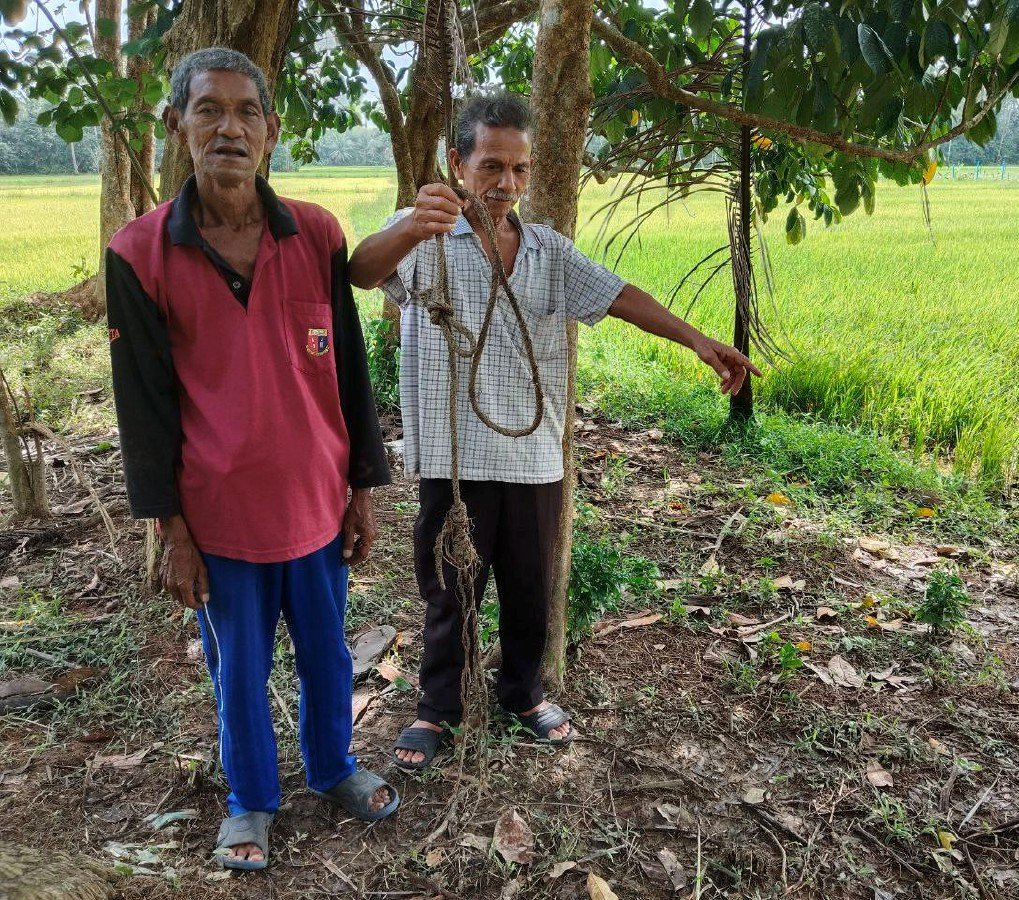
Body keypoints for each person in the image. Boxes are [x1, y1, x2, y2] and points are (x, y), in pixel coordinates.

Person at [348, 93, 761, 770]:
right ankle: (439, 707)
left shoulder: (545, 251)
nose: (504, 183)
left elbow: (617, 295)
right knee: (449, 590)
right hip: (455, 457)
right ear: (457, 163)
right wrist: (412, 228)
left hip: (533, 456)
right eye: (490, 166)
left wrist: (696, 339)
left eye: (518, 169)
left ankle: (523, 693)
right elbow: (362, 271)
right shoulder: (427, 236)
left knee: (529, 587)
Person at [106, 47, 398, 871]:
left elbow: (348, 369)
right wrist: (172, 531)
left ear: (271, 130)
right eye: (209, 109)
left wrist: (362, 488)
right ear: (177, 125)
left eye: (246, 112)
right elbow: (143, 407)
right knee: (238, 668)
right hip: (220, 516)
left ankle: (333, 766)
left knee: (327, 654)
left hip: (315, 503)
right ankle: (250, 800)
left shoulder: (316, 232)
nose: (228, 128)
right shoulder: (139, 254)